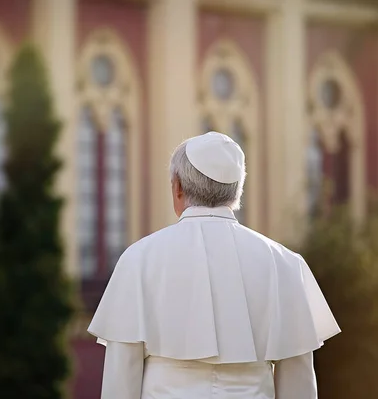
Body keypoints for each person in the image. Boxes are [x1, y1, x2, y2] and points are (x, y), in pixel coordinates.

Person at [88, 131, 340, 399]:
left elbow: (120, 383)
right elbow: (299, 389)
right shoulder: (286, 265)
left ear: (178, 188)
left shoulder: (138, 260)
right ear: (237, 192)